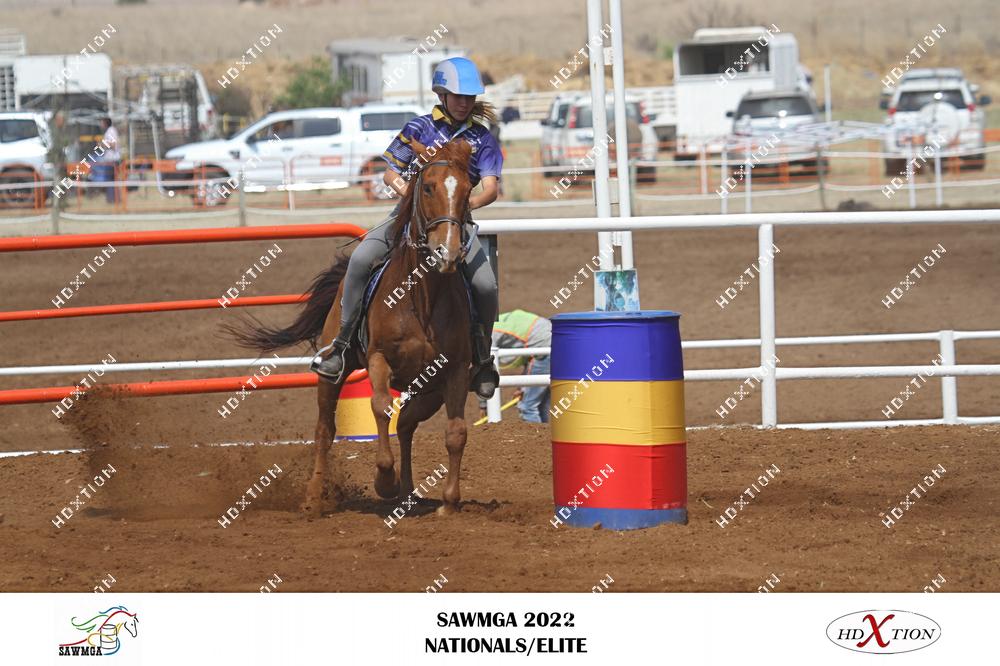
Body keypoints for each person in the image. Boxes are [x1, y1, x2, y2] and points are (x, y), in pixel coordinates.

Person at [310, 57, 503, 399]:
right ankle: (340, 346)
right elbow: (390, 173)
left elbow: (490, 188)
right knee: (360, 260)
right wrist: (410, 197)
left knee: (486, 286)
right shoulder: (419, 128)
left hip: (455, 223)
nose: (464, 102)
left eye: (469, 97)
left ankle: (483, 359)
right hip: (406, 215)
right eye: (458, 96)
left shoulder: (482, 139)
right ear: (442, 95)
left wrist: (460, 208)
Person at [490, 310, 551, 423]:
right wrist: (522, 387)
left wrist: (484, 406)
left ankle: (535, 434)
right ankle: (543, 433)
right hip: (555, 341)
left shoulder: (490, 333)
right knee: (539, 405)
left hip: (544, 348)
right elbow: (530, 359)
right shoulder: (499, 323)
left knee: (527, 407)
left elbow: (485, 367)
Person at [93, 116, 121, 203]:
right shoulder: (110, 131)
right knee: (112, 179)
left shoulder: (111, 131)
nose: (101, 124)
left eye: (102, 122)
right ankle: (113, 199)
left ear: (105, 123)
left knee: (111, 180)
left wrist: (101, 144)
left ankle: (113, 199)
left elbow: (113, 145)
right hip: (110, 160)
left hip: (112, 160)